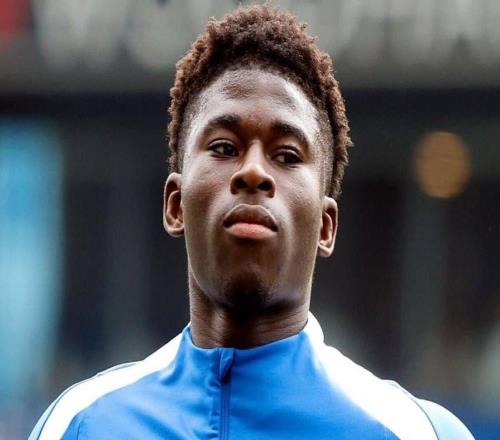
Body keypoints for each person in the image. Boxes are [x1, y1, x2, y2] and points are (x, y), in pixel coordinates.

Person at [30, 4, 474, 439]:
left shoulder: (414, 431)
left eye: (287, 155)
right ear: (175, 204)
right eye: (224, 147)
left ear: (326, 227)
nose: (254, 172)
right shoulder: (79, 424)